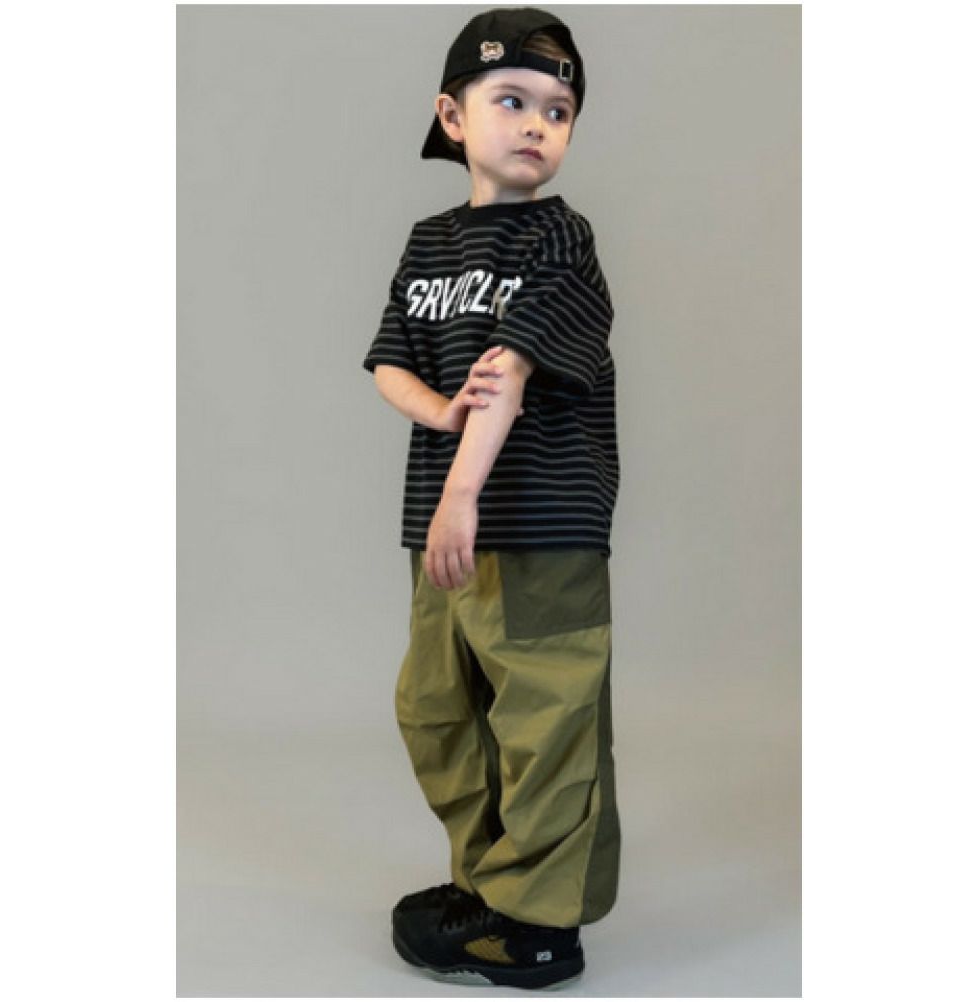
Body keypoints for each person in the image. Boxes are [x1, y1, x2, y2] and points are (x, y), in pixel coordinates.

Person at [361, 7, 621, 991]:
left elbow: (509, 371)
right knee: (439, 708)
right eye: (512, 100)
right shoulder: (428, 243)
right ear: (452, 116)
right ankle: (490, 883)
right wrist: (438, 414)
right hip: (447, 528)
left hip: (537, 524)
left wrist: (460, 493)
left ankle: (539, 926)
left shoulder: (560, 237)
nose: (537, 125)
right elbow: (390, 360)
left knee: (546, 722)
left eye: (559, 110)